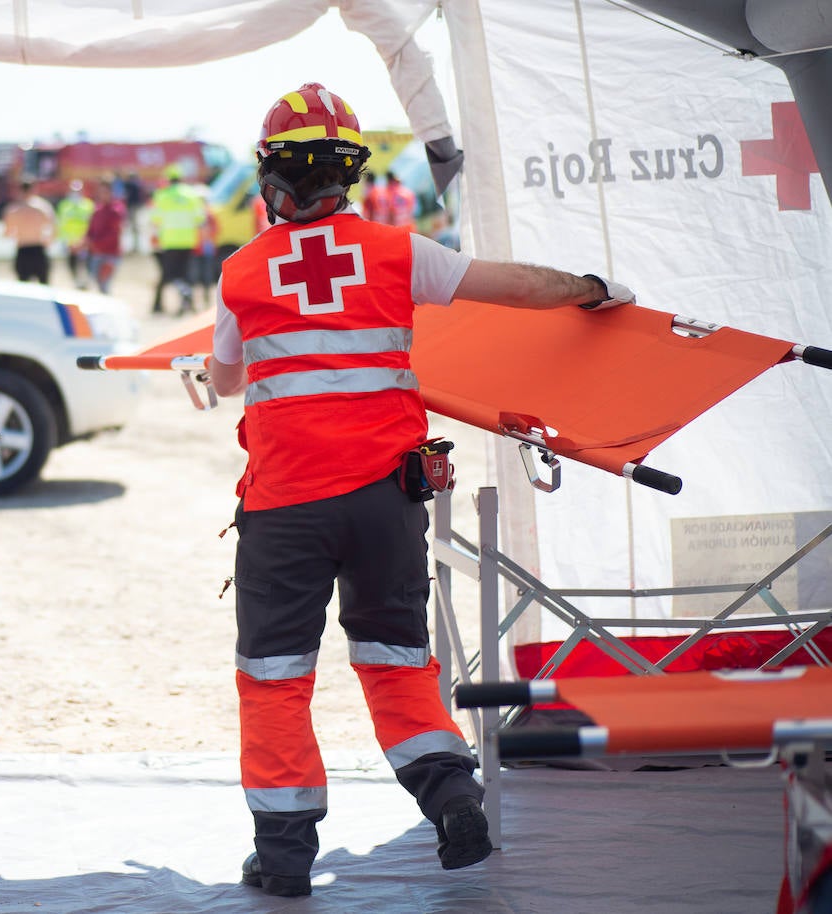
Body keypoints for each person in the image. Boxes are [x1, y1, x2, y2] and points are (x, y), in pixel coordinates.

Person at [203, 82, 636, 898]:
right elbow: (512, 286)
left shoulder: (240, 274)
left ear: (273, 183)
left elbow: (226, 381)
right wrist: (589, 288)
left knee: (275, 677)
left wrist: (222, 365)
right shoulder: (401, 252)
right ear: (350, 176)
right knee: (397, 660)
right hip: (383, 501)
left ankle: (287, 856)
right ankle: (450, 797)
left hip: (285, 508)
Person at [149, 164, 208, 315]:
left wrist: (154, 240)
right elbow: (200, 219)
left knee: (169, 274)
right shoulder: (192, 195)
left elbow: (155, 220)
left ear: (168, 180)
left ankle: (159, 305)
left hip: (169, 241)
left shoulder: (161, 196)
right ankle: (188, 304)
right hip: (188, 241)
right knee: (185, 274)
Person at [2, 179, 56, 283]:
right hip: (39, 249)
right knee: (44, 286)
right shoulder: (43, 207)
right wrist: (48, 240)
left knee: (24, 289)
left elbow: (7, 233)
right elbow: (53, 228)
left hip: (23, 249)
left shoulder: (14, 210)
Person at [85, 181, 127, 294]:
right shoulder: (97, 210)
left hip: (110, 254)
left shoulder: (116, 210)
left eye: (105, 191)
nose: (102, 194)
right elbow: (91, 229)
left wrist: (94, 243)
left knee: (104, 284)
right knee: (97, 283)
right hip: (97, 252)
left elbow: (114, 233)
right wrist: (87, 240)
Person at [56, 179, 96, 289]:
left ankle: (85, 282)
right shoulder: (64, 205)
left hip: (84, 241)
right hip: (69, 241)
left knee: (86, 263)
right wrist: (64, 240)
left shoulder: (88, 204)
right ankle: (76, 281)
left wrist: (86, 240)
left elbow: (91, 223)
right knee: (72, 264)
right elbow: (61, 222)